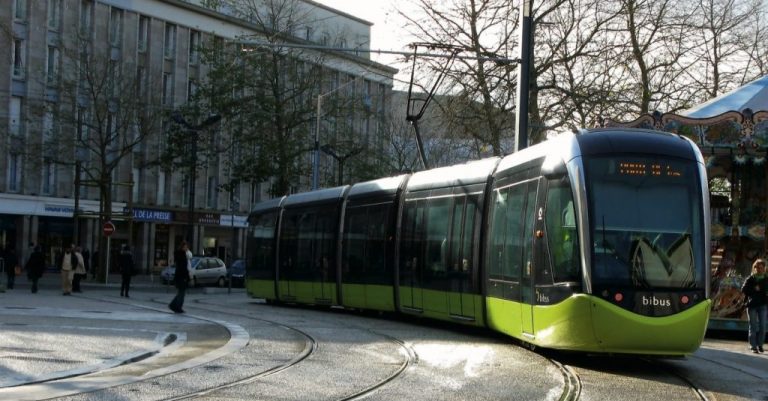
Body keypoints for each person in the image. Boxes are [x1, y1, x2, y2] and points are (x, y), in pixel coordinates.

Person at [741, 258, 768, 353]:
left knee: (763, 326)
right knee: (753, 326)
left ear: (765, 268)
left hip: (763, 305)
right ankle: (753, 346)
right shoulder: (751, 279)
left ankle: (760, 344)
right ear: (755, 268)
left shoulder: (766, 279)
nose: (760, 269)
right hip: (752, 305)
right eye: (758, 268)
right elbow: (743, 289)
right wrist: (753, 289)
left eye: (761, 268)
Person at [169, 241, 190, 313]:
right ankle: (177, 307)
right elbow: (183, 267)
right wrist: (186, 276)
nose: (186, 248)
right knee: (182, 293)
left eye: (187, 247)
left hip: (179, 276)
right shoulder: (182, 255)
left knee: (180, 292)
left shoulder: (181, 255)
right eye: (185, 247)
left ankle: (173, 305)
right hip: (182, 276)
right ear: (182, 247)